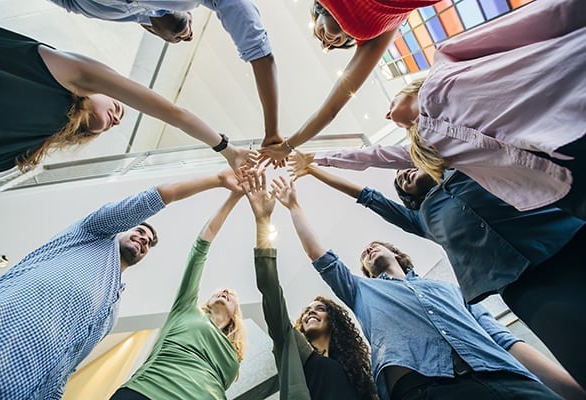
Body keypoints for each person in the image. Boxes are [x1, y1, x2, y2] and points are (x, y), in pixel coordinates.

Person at [288, 152, 586, 395]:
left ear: (398, 255)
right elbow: (322, 256)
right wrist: (295, 202)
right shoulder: (361, 291)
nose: (369, 250)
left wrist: (571, 390)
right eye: (365, 255)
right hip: (425, 387)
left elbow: (501, 337)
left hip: (507, 378)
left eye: (376, 245)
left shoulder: (455, 289)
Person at [288, 0, 586, 218]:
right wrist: (314, 157)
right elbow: (374, 155)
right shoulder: (431, 147)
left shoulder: (446, 65)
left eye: (326, 36)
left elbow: (516, 31)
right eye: (341, 42)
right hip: (560, 170)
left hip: (564, 99)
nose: (330, 42)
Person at [0, 169, 243, 400]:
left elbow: (68, 363)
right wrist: (219, 180)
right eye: (140, 231)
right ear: (121, 229)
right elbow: (153, 200)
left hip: (21, 388)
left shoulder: (110, 313)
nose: (144, 239)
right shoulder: (91, 235)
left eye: (148, 243)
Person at [0, 23, 253, 176]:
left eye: (115, 123)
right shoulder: (74, 75)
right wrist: (227, 150)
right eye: (117, 107)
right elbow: (174, 114)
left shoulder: (35, 144)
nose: (115, 120)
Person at [47, 0, 282, 148]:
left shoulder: (106, 9)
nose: (186, 35)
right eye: (185, 32)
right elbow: (259, 51)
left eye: (181, 37)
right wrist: (271, 131)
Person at [242, 171, 377, 399]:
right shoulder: (291, 346)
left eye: (320, 308)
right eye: (307, 310)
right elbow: (270, 291)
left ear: (335, 321)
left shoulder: (357, 371)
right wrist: (263, 222)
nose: (311, 311)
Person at [257, 0, 439, 166]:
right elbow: (330, 109)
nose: (326, 45)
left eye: (319, 38)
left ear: (317, 12)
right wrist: (287, 147)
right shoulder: (377, 36)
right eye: (337, 44)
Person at [111, 189, 246, 400]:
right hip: (147, 391)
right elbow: (200, 248)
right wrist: (234, 196)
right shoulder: (187, 309)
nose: (226, 291)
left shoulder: (234, 356)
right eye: (221, 290)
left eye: (232, 295)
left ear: (235, 313)